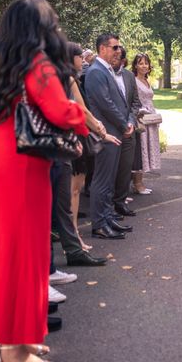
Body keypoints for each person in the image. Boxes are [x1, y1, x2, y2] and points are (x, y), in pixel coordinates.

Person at [0, 0, 89, 362]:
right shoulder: (38, 63)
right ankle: (16, 352)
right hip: (18, 169)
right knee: (22, 258)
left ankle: (9, 341)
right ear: (43, 28)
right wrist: (80, 117)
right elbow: (61, 112)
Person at [68, 43, 122, 252]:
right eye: (79, 56)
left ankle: (81, 234)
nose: (83, 60)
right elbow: (84, 109)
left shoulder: (77, 77)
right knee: (76, 190)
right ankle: (81, 235)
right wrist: (102, 131)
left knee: (78, 189)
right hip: (74, 137)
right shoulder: (76, 77)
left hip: (80, 135)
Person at [84, 33, 135, 239]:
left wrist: (128, 121)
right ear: (102, 49)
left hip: (115, 131)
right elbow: (106, 104)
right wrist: (123, 124)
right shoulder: (97, 71)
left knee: (109, 179)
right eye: (115, 47)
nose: (118, 51)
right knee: (102, 180)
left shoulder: (106, 70)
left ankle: (107, 218)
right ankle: (99, 224)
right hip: (106, 132)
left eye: (118, 47)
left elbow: (122, 101)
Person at [111, 45, 141, 218]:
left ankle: (120, 203)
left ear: (122, 60)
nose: (113, 61)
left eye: (117, 58)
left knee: (125, 168)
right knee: (110, 171)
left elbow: (135, 103)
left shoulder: (129, 76)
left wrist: (130, 122)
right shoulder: (103, 74)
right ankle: (108, 206)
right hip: (111, 129)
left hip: (129, 130)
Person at [131, 53, 162, 191]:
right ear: (135, 65)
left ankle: (140, 182)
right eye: (140, 63)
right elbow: (134, 101)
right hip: (142, 118)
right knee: (141, 150)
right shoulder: (134, 80)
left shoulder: (147, 80)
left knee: (147, 150)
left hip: (151, 119)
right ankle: (137, 184)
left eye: (146, 63)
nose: (144, 65)